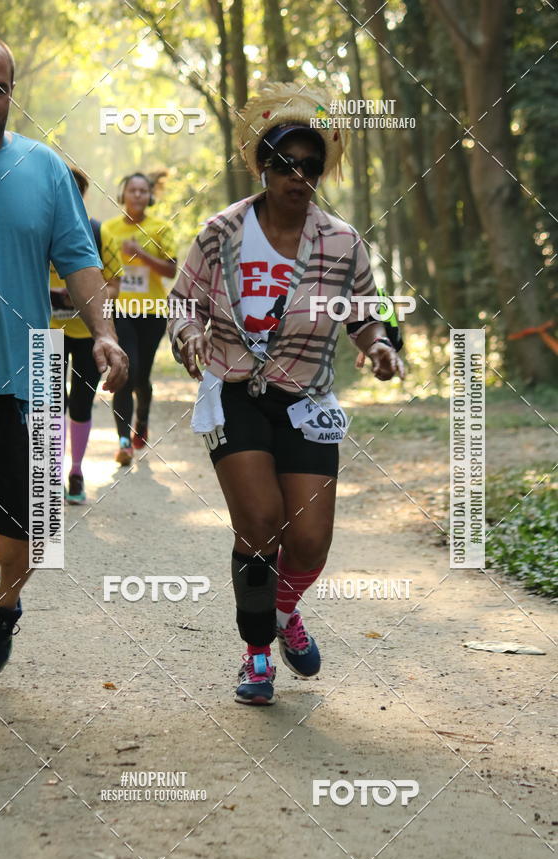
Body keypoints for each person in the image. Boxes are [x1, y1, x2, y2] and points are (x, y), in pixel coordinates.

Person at [168, 83, 404, 706]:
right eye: (287, 165)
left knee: (309, 541)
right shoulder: (221, 234)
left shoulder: (341, 242)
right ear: (265, 167)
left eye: (311, 168)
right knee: (261, 522)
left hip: (307, 399)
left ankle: (283, 609)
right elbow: (183, 302)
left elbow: (366, 312)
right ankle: (255, 655)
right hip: (237, 391)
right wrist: (190, 335)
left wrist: (378, 345)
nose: (300, 178)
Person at [0, 33, 128, 714]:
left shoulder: (42, 167)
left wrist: (107, 335)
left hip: (25, 374)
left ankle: (3, 604)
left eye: (1, 88)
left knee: (29, 534)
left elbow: (78, 259)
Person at [50, 166, 122, 503]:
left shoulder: (96, 231)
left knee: (80, 403)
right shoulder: (39, 229)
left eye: (74, 191)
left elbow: (115, 285)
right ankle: (50, 477)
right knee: (50, 406)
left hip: (88, 334)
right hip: (47, 332)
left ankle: (76, 472)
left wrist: (82, 295)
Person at [101, 172, 177, 465]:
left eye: (143, 191)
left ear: (150, 196)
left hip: (153, 312)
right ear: (123, 195)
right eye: (132, 190)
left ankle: (141, 421)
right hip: (121, 310)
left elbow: (170, 270)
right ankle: (123, 442)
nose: (137, 195)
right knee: (125, 371)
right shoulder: (108, 229)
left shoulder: (160, 227)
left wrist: (141, 254)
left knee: (141, 378)